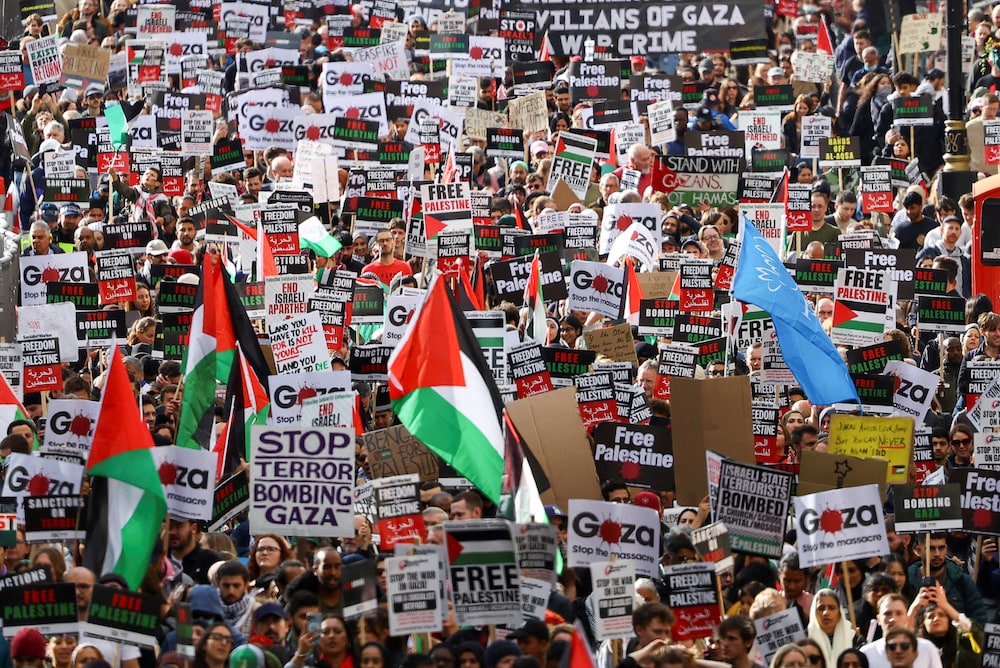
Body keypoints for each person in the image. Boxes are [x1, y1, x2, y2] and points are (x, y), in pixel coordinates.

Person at [906, 536, 987, 624]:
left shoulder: (962, 581)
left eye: (941, 548)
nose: (937, 554)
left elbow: (979, 625)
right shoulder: (906, 582)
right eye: (931, 548)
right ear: (918, 550)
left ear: (946, 549)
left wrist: (947, 607)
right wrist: (914, 609)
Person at [861, 594, 941, 668]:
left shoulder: (927, 648)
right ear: (878, 619)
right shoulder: (866, 653)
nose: (893, 619)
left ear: (907, 617)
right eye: (887, 614)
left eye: (899, 613)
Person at [807, 589, 864, 667]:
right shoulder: (805, 638)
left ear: (840, 612)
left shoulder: (854, 638)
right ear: (814, 612)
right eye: (821, 608)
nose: (826, 613)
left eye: (831, 608)